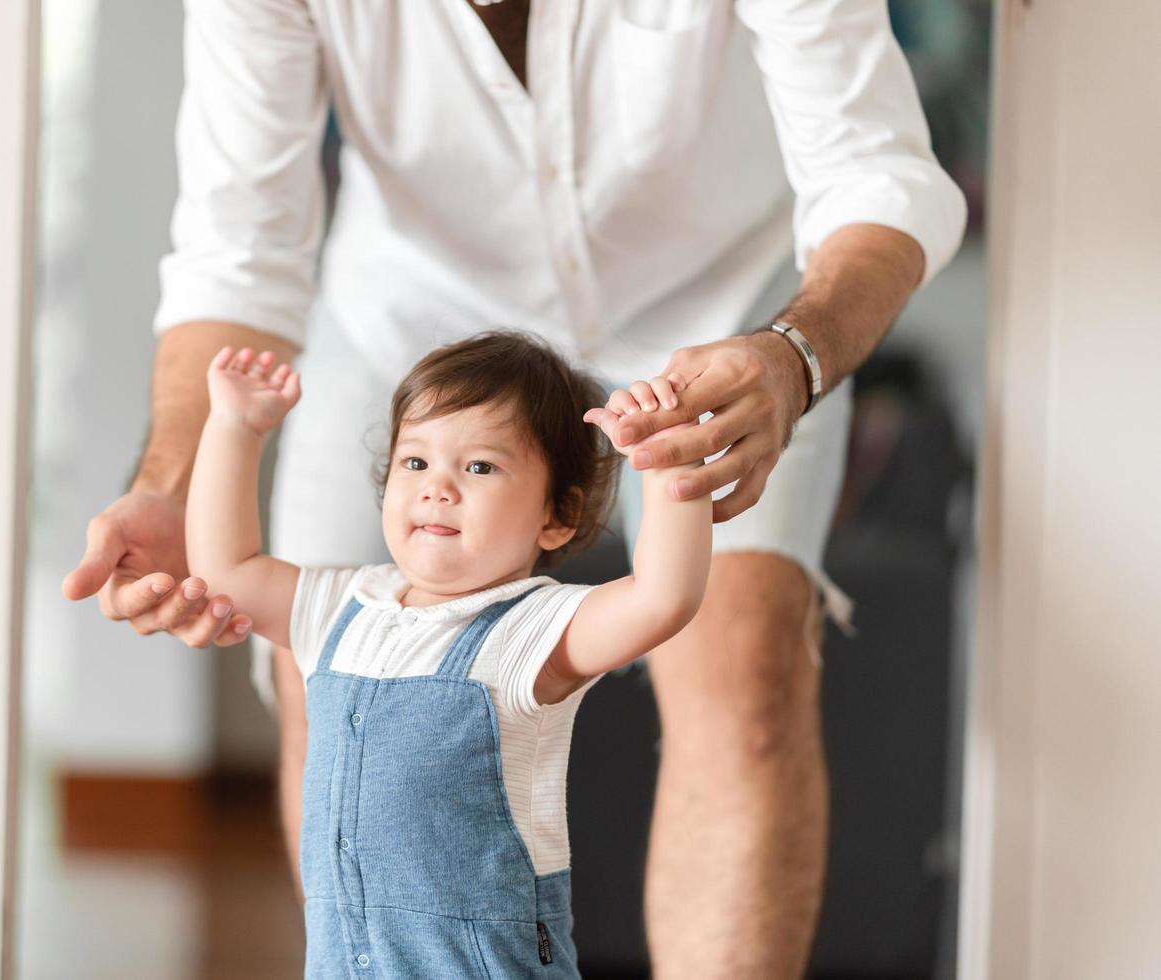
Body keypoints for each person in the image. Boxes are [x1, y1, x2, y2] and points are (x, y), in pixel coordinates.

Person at [62, 1, 966, 973]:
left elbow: (876, 171)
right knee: (324, 676)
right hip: (409, 311)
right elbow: (235, 249)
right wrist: (171, 482)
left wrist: (791, 356)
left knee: (743, 667)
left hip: (731, 312)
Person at [186, 332, 711, 977]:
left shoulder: (532, 630)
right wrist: (234, 428)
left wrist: (666, 460)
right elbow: (227, 573)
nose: (438, 488)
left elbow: (663, 598)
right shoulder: (342, 607)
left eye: (480, 467)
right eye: (415, 463)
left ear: (557, 515)